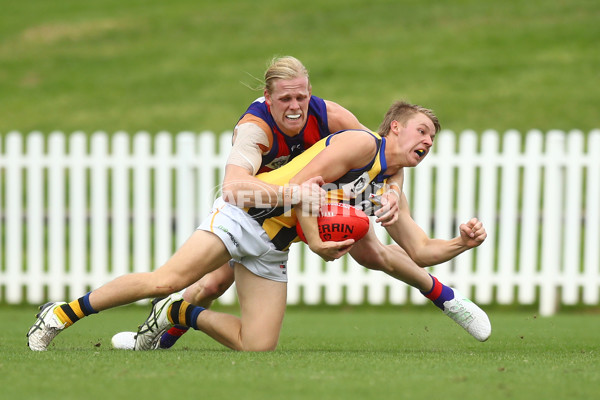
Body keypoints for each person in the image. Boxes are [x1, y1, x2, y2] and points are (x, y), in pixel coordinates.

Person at [27, 100, 490, 352]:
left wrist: (462, 243)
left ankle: (178, 315)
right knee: (168, 279)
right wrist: (319, 243)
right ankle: (62, 314)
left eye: (433, 137)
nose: (428, 141)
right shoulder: (356, 144)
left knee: (257, 346)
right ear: (393, 127)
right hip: (246, 217)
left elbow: (422, 249)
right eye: (421, 132)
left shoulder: (389, 181)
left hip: (274, 245)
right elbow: (307, 188)